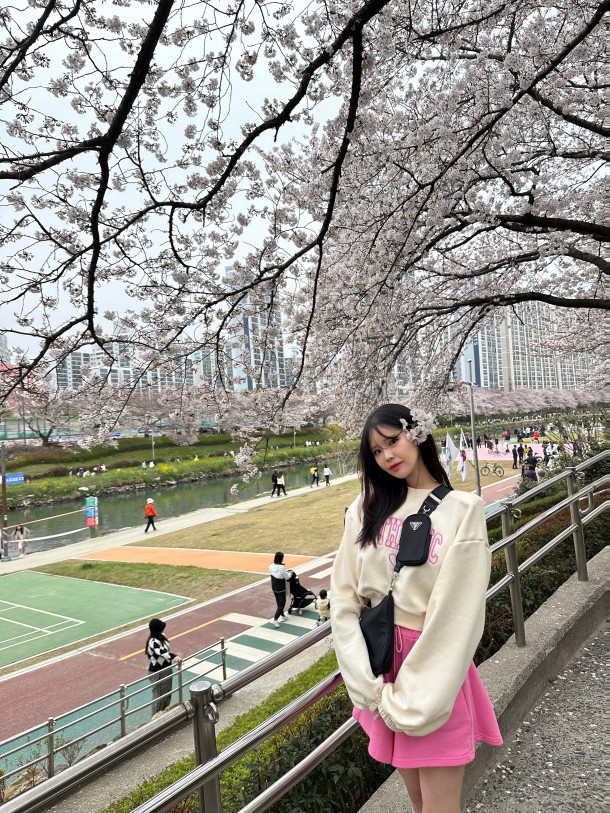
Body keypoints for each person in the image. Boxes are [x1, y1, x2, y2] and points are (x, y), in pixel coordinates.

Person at [331, 404, 502, 813]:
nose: (387, 456)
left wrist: (419, 695)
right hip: (380, 663)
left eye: (393, 441)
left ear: (418, 434)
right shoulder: (366, 508)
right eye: (376, 451)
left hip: (432, 669)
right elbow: (344, 595)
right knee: (418, 800)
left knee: (439, 805)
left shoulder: (463, 510)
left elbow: (457, 614)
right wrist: (365, 683)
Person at [145, 618, 181, 715]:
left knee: (167, 693)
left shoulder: (162, 636)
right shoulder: (153, 641)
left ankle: (164, 716)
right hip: (158, 672)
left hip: (166, 669)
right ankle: (155, 719)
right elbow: (162, 652)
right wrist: (173, 656)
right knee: (159, 698)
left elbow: (165, 651)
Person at [269, 552, 292, 627]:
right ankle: (275, 619)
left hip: (274, 587)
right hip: (281, 588)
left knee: (279, 603)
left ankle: (283, 616)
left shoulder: (271, 566)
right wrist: (290, 574)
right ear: (281, 558)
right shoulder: (282, 567)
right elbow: (287, 577)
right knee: (281, 604)